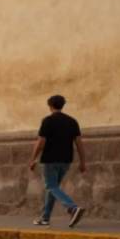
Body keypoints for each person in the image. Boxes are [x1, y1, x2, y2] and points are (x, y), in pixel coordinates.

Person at [28, 94, 87, 227]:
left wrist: (33, 159)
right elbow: (79, 143)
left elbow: (41, 142)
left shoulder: (48, 121)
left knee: (51, 186)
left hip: (50, 159)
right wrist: (83, 162)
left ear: (50, 106)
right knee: (53, 188)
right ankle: (45, 218)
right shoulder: (72, 121)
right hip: (66, 161)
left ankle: (73, 207)